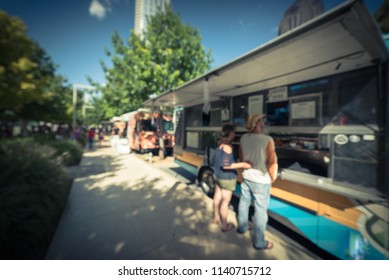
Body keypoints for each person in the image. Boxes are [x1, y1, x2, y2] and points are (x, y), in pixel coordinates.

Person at [238, 114, 278, 250]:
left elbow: (241, 157)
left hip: (247, 176)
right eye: (261, 121)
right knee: (260, 211)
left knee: (244, 202)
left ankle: (242, 227)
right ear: (257, 124)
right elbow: (272, 161)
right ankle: (259, 242)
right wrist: (272, 177)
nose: (263, 123)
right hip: (261, 179)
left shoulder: (243, 138)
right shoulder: (267, 139)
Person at [213, 124, 252, 232]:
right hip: (226, 178)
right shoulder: (228, 147)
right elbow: (226, 165)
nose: (235, 134)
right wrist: (244, 164)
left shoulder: (220, 143)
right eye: (234, 132)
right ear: (230, 133)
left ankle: (216, 217)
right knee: (225, 202)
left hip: (218, 175)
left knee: (217, 197)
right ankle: (224, 226)